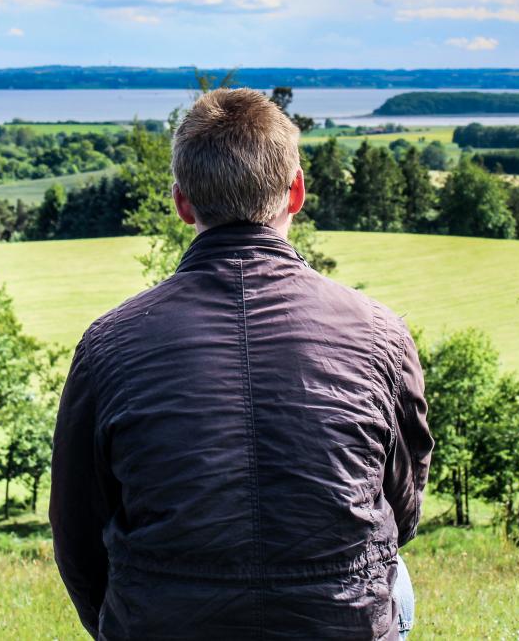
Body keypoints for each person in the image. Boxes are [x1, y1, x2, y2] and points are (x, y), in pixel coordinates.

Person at [50, 88, 432, 639]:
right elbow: (402, 505)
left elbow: (76, 529)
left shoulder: (110, 343)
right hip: (340, 622)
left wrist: (118, 624)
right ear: (296, 191)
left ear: (182, 203)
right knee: (399, 582)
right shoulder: (380, 333)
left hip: (164, 623)